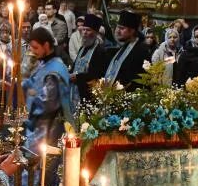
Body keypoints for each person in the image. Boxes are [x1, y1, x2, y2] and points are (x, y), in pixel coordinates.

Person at [23, 27, 72, 155]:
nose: (33, 52)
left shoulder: (56, 69)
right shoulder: (44, 63)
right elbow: (33, 82)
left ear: (46, 45)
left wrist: (32, 95)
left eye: (35, 47)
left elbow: (48, 103)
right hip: (36, 124)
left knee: (40, 167)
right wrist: (17, 85)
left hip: (47, 128)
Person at [76, 10, 149, 90]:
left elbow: (140, 80)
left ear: (132, 31)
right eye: (117, 27)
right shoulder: (123, 47)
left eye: (122, 28)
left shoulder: (141, 51)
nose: (117, 31)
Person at [69, 14, 104, 105]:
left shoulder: (100, 51)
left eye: (88, 30)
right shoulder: (82, 48)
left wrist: (78, 77)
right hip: (75, 90)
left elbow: (98, 74)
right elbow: (75, 66)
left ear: (95, 32)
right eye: (83, 29)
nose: (84, 32)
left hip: (88, 94)